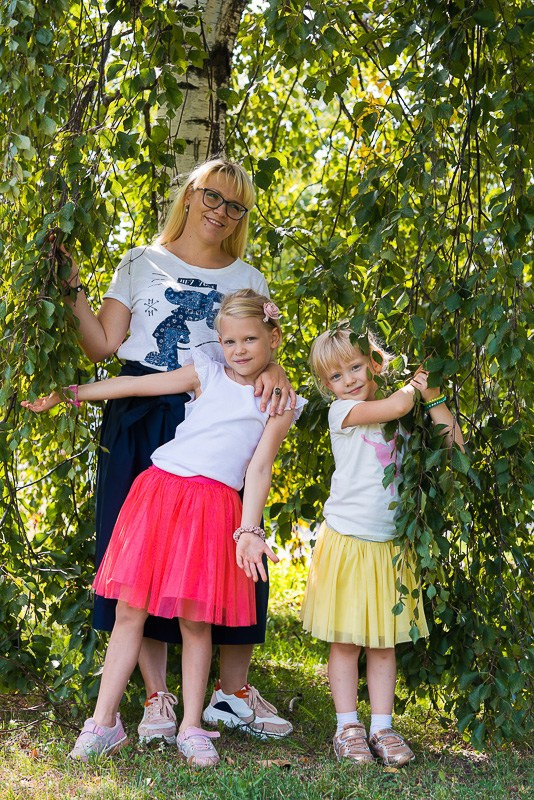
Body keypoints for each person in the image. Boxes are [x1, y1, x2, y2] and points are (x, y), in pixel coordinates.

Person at [56, 158, 295, 744]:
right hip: (144, 410)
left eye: (236, 205)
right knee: (141, 555)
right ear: (190, 195)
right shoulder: (141, 261)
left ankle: (230, 691)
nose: (221, 211)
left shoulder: (249, 276)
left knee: (225, 546)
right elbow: (103, 347)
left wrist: (281, 373)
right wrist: (72, 291)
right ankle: (157, 697)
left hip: (217, 422)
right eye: (212, 196)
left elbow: (260, 348)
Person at [22, 290, 307, 766]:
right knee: (130, 609)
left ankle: (192, 726)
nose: (238, 349)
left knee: (196, 620)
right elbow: (134, 387)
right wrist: (70, 395)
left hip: (212, 508)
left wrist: (249, 530)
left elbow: (259, 469)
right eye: (229, 340)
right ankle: (104, 722)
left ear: (274, 337)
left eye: (250, 339)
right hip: (159, 494)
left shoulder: (280, 404)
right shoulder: (208, 371)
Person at [301, 325, 464, 766]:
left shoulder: (405, 414)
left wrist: (431, 394)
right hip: (349, 542)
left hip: (392, 545)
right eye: (336, 376)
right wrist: (413, 388)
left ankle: (382, 728)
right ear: (327, 386)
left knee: (383, 644)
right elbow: (394, 403)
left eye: (356, 367)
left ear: (374, 362)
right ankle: (347, 727)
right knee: (346, 642)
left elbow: (455, 447)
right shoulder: (343, 413)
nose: (349, 380)